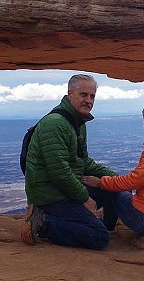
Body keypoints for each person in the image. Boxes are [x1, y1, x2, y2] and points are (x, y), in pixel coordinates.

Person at [21, 74, 117, 249]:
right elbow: (60, 173)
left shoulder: (77, 123)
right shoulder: (56, 124)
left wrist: (116, 178)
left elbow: (84, 161)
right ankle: (43, 222)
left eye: (92, 96)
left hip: (64, 188)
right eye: (83, 95)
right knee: (99, 238)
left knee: (114, 190)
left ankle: (100, 226)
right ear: (69, 94)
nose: (88, 100)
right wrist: (85, 198)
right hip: (50, 194)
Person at [82, 100, 144, 236]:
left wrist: (100, 182)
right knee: (116, 185)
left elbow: (134, 181)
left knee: (112, 189)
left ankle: (105, 230)